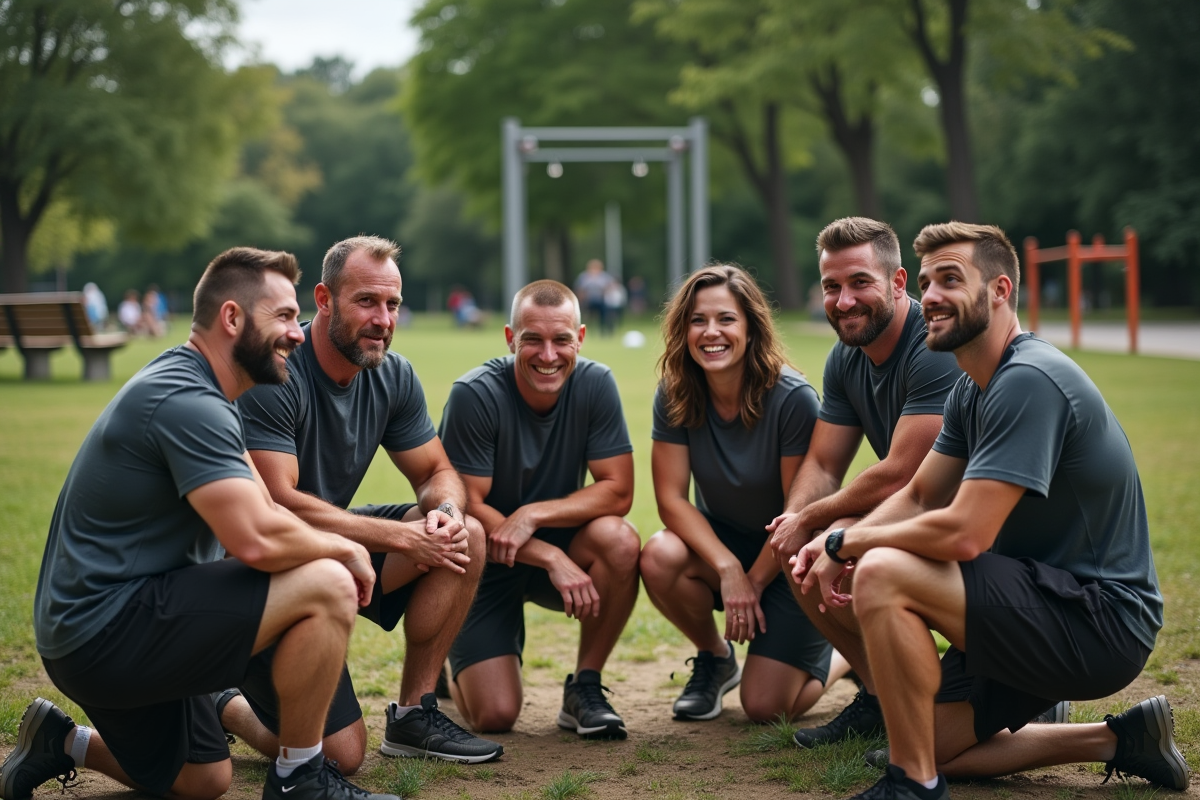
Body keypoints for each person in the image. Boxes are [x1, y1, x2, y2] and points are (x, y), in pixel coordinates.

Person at [794, 222, 1188, 800]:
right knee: (925, 736)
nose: (929, 296)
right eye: (926, 282)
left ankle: (912, 786)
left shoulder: (1028, 379)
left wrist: (845, 544)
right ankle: (1121, 739)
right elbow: (921, 495)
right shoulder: (971, 388)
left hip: (1100, 619)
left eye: (950, 279)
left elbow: (965, 533)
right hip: (1035, 603)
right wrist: (836, 538)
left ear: (1000, 290)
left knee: (882, 572)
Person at [1, 247, 396, 800]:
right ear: (232, 318)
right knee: (326, 582)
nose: (300, 333)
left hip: (98, 627)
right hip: (103, 629)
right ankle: (301, 780)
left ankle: (63, 742)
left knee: (204, 780)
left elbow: (265, 508)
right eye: (283, 317)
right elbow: (255, 537)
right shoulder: (187, 400)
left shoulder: (209, 390)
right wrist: (344, 550)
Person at [231, 235, 502, 769]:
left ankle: (414, 715)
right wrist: (403, 536)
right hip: (258, 571)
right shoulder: (276, 372)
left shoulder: (392, 374)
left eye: (393, 304)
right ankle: (225, 705)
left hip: (331, 551)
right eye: (366, 302)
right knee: (340, 756)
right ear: (324, 299)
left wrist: (443, 513)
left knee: (464, 534)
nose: (383, 319)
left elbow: (436, 471)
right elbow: (277, 503)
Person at [766, 217, 962, 746]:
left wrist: (819, 522)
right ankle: (877, 696)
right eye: (832, 286)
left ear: (899, 282)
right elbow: (825, 463)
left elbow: (906, 472)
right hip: (915, 515)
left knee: (839, 543)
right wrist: (796, 519)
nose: (844, 301)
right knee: (799, 547)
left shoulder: (934, 346)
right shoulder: (845, 358)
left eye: (860, 283)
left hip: (971, 525)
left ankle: (1001, 674)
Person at [639, 265, 848, 723]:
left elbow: (800, 513)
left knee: (766, 708)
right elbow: (671, 500)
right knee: (658, 556)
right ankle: (716, 659)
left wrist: (753, 581)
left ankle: (843, 656)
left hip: (790, 555)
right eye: (697, 320)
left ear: (751, 327)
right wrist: (729, 569)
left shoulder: (792, 398)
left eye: (726, 319)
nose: (711, 332)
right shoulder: (675, 392)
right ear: (683, 330)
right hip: (726, 545)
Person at [439, 280, 640, 738]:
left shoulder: (596, 383)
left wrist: (534, 516)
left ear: (580, 338)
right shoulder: (475, 393)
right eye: (532, 339)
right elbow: (468, 505)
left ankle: (585, 685)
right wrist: (550, 556)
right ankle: (447, 651)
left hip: (557, 542)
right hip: (483, 561)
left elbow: (617, 491)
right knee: (495, 716)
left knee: (619, 540)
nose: (548, 355)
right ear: (511, 339)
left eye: (561, 340)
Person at [574, 259, 615, 335]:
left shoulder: (604, 277)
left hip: (601, 301)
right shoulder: (584, 277)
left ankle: (605, 331)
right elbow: (580, 289)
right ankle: (583, 331)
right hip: (588, 301)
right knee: (585, 316)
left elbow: (610, 288)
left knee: (605, 316)